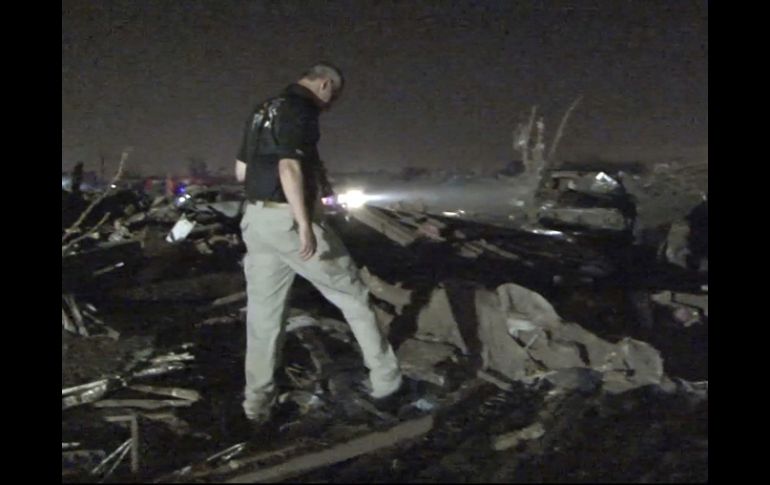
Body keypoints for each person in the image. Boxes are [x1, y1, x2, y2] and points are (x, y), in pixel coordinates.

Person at [234, 63, 403, 424]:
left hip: (257, 220)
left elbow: (241, 172)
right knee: (353, 296)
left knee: (264, 319)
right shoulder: (301, 109)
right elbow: (288, 168)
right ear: (324, 85)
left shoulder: (264, 109)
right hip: (287, 220)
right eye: (333, 96)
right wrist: (303, 223)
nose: (330, 104)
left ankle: (256, 407)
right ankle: (388, 383)